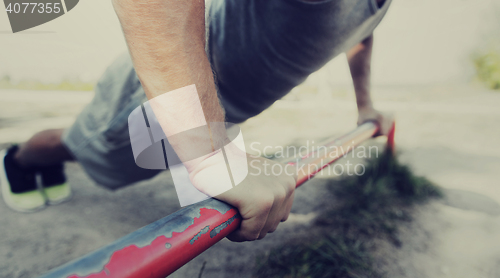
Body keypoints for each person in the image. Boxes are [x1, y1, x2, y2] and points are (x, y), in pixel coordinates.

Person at [0, 0, 393, 242]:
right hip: (170, 90)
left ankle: (45, 166)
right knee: (83, 148)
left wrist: (365, 105)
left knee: (127, 165)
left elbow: (360, 33)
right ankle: (18, 162)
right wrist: (209, 153)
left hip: (214, 111)